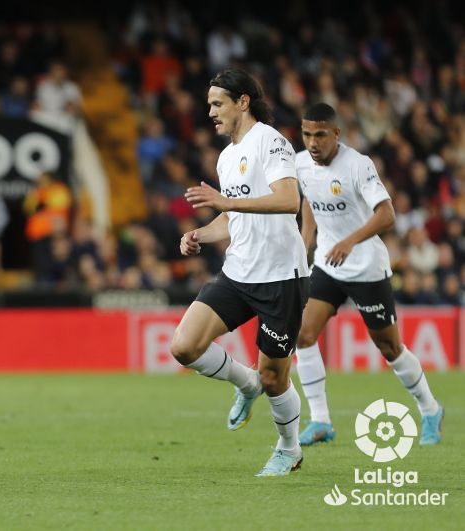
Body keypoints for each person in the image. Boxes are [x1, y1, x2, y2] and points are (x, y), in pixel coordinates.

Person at [175, 68, 309, 477]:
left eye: (218, 104)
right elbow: (232, 218)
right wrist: (201, 232)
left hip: (280, 276)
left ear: (243, 102)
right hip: (238, 272)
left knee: (275, 378)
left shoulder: (270, 141)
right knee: (184, 347)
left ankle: (289, 449)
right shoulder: (227, 156)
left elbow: (288, 200)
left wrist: (225, 203)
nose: (211, 112)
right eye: (209, 105)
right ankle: (243, 383)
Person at [294, 103, 443, 446]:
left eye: (319, 135)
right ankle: (320, 421)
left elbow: (386, 214)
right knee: (302, 333)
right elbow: (309, 201)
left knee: (389, 347)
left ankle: (430, 409)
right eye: (306, 135)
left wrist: (349, 240)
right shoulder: (301, 164)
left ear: (336, 134)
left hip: (365, 267)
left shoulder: (358, 165)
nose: (312, 143)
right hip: (329, 264)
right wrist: (304, 243)